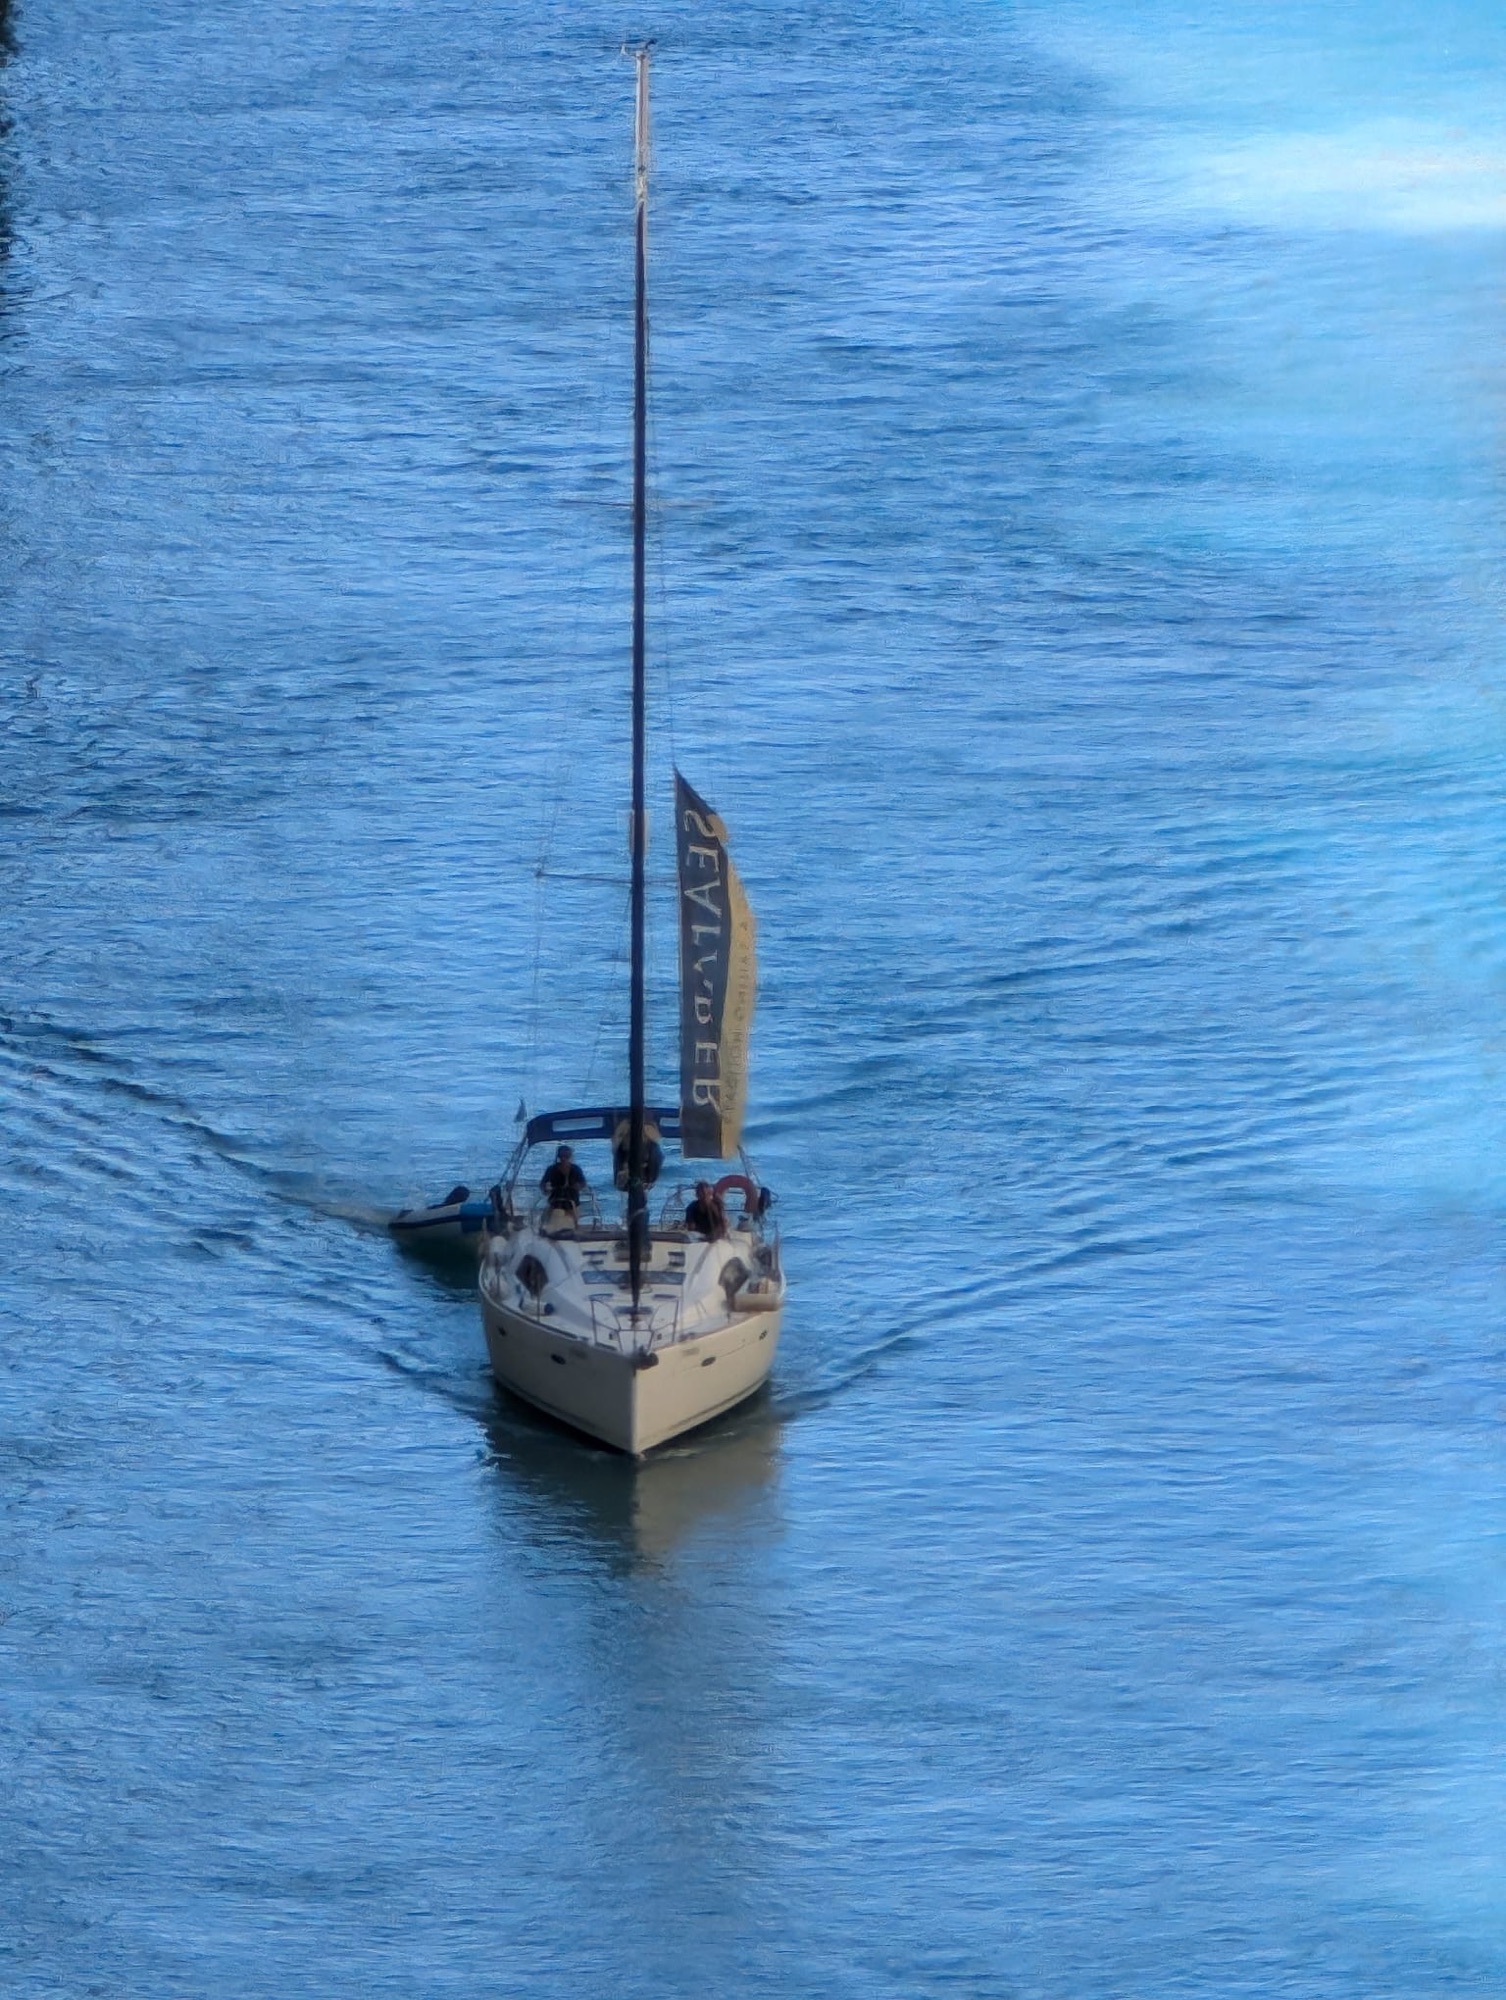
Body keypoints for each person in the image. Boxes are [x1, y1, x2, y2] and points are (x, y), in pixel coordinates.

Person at [539, 1144, 586, 1214]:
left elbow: (583, 1183)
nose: (563, 1158)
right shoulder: (551, 1169)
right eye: (561, 1156)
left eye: (566, 1156)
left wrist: (578, 1186)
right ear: (558, 1156)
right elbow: (542, 1183)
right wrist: (545, 1189)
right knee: (549, 1219)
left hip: (572, 1201)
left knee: (573, 1220)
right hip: (555, 1201)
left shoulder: (576, 1169)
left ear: (569, 1157)